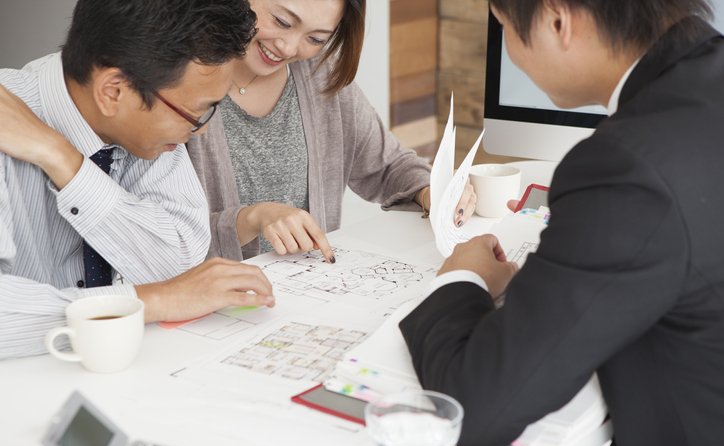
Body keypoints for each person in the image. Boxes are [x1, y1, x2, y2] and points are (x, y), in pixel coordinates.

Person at [398, 1, 724, 446]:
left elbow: (480, 405)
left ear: (557, 20)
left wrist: (462, 276)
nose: (507, 47)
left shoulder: (626, 165)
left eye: (504, 26)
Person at [0, 0, 276, 360]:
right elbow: (175, 290)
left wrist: (63, 160)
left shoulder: (149, 124)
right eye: (194, 113)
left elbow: (177, 263)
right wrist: (151, 300)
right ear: (113, 91)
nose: (200, 130)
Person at [187, 0, 476, 262]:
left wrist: (432, 191)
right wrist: (251, 219)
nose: (288, 48)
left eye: (315, 38)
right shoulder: (178, 84)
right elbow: (158, 238)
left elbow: (389, 165)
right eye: (282, 22)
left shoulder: (320, 75)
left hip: (310, 298)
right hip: (210, 312)